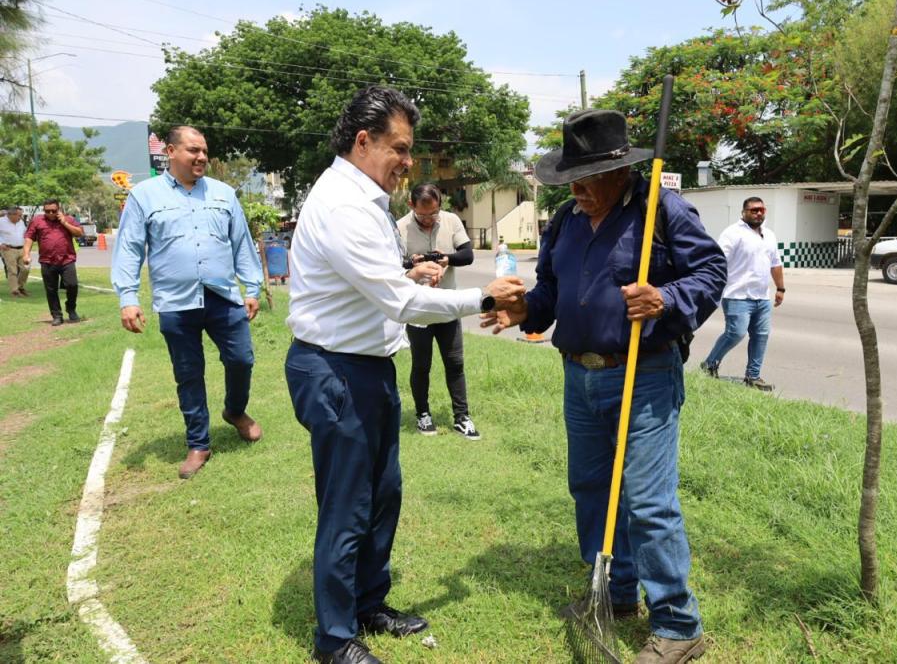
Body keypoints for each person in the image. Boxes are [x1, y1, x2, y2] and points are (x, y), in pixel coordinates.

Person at [284, 86, 525, 664]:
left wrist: (404, 272)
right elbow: (402, 304)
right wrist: (483, 298)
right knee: (347, 506)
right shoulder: (343, 205)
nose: (408, 162)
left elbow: (374, 281)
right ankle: (334, 639)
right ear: (363, 142)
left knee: (382, 494)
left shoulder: (361, 198)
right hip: (337, 371)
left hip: (365, 369)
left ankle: (369, 602)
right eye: (399, 148)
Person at [482, 109, 727, 664]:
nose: (577, 189)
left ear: (620, 172)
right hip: (579, 376)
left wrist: (666, 298)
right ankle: (615, 595)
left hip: (644, 374)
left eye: (587, 177)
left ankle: (678, 625)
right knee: (591, 489)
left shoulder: (660, 209)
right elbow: (550, 292)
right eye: (571, 179)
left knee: (646, 501)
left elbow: (711, 272)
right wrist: (524, 310)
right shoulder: (566, 221)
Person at [111, 125, 264, 479]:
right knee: (188, 374)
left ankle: (235, 411)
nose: (201, 157)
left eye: (204, 151)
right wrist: (128, 297)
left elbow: (241, 243)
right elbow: (130, 247)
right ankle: (198, 443)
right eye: (194, 150)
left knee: (241, 359)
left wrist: (252, 288)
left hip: (222, 296)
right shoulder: (144, 196)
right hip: (176, 303)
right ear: (170, 151)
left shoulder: (223, 194)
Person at [395, 182, 480, 439]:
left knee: (455, 363)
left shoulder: (451, 220)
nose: (429, 219)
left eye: (434, 213)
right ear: (411, 205)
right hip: (418, 308)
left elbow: (468, 255)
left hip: (447, 305)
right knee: (422, 364)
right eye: (422, 215)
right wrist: (412, 263)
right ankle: (423, 414)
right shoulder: (400, 227)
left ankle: (462, 417)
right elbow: (392, 265)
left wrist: (447, 259)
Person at [699, 197, 785, 391]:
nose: (758, 213)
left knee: (761, 336)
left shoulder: (769, 235)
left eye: (761, 210)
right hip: (736, 295)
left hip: (762, 297)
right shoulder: (732, 233)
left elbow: (775, 263)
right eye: (754, 210)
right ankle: (710, 364)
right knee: (736, 333)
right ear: (744, 212)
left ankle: (753, 376)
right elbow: (718, 261)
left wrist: (780, 288)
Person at [23, 199, 84, 325]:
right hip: (47, 261)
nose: (50, 213)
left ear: (58, 209)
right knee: (51, 290)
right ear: (43, 210)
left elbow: (79, 233)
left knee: (72, 285)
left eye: (53, 211)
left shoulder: (68, 219)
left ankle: (71, 308)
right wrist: (26, 254)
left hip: (67, 259)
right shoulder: (37, 221)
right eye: (47, 211)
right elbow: (29, 237)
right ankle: (57, 315)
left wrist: (65, 223)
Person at [1, 206, 30, 298]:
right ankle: (15, 291)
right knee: (12, 270)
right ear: (11, 215)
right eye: (19, 215)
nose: (21, 217)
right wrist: (0, 243)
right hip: (8, 249)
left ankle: (20, 287)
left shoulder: (20, 222)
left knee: (26, 268)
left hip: (22, 249)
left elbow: (25, 233)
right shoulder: (1, 221)